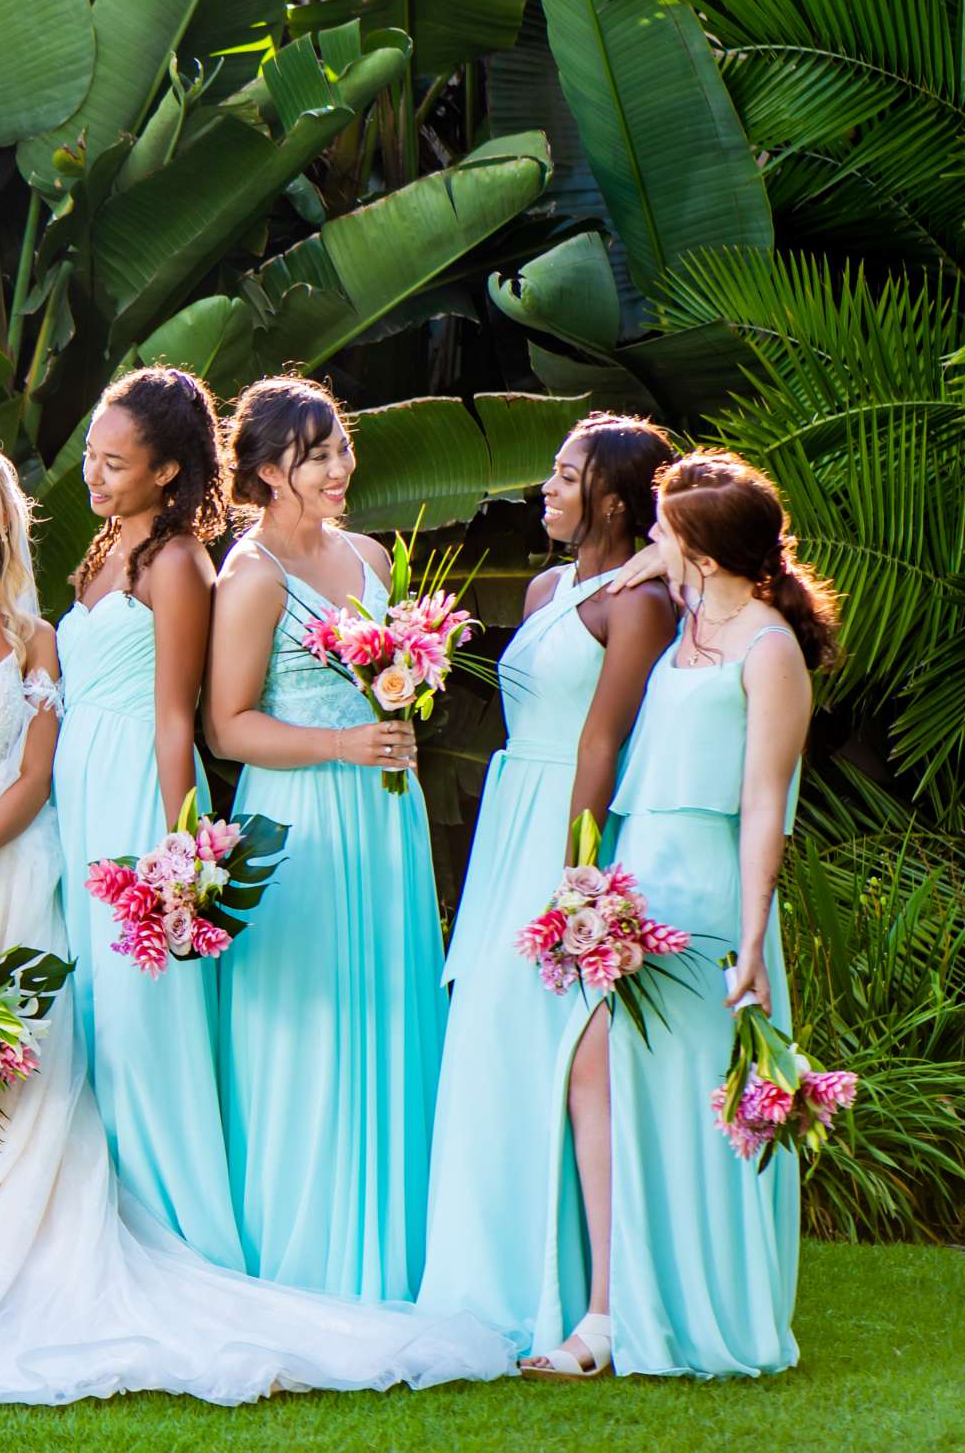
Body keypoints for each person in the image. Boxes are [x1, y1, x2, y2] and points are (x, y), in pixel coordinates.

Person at [0, 431, 516, 1404]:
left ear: (6, 518)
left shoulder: (37, 637)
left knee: (16, 1077)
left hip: (4, 873)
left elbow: (37, 775)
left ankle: (3, 1246)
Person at [524, 451, 839, 1379]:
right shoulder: (693, 610)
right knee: (593, 1067)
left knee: (691, 1103)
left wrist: (750, 944)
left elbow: (763, 805)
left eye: (667, 532)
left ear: (702, 553)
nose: (650, 543)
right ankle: (609, 1309)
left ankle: (691, 1310)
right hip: (638, 870)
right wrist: (655, 559)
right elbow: (640, 571)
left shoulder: (768, 649)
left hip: (707, 890)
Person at [419, 413, 673, 1345]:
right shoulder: (541, 588)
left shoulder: (635, 602)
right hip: (510, 809)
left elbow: (604, 738)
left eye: (565, 477)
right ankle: (482, 1281)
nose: (547, 490)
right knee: (487, 1032)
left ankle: (584, 1302)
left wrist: (579, 875)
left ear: (612, 497)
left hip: (567, 824)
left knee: (564, 1048)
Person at [204, 377, 441, 1301]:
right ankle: (301, 1254)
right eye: (317, 456)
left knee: (387, 1007)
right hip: (299, 821)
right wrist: (340, 742)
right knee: (304, 1026)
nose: (341, 467)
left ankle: (398, 1248)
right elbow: (226, 726)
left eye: (341, 446)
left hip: (385, 814)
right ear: (269, 472)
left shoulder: (373, 558)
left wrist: (398, 713)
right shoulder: (252, 576)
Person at [49, 367, 241, 1267]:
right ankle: (91, 1222)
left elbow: (179, 718)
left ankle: (170, 1227)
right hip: (73, 788)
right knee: (83, 1009)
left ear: (167, 472)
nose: (93, 474)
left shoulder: (176, 562)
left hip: (132, 786)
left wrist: (180, 859)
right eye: (90, 454)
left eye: (114, 461)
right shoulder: (99, 557)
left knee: (137, 1012)